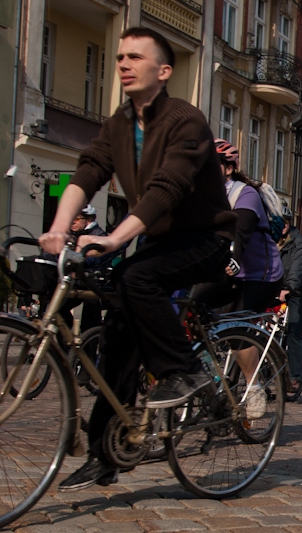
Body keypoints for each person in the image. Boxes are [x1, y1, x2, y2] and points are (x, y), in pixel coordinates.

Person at [39, 27, 235, 491]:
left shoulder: (186, 121)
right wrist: (57, 226)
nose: (123, 64)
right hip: (158, 241)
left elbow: (166, 190)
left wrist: (112, 241)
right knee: (118, 333)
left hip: (206, 238)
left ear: (163, 71)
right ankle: (108, 452)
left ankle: (183, 371)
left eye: (135, 57)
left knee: (135, 276)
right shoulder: (121, 123)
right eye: (120, 56)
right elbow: (89, 171)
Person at [193, 139, 284, 415]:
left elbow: (240, 231)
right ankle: (211, 375)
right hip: (227, 272)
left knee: (238, 326)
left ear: (228, 169)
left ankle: (253, 387)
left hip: (261, 275)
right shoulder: (203, 196)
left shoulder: (245, 194)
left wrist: (233, 256)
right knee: (191, 306)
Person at [278, 204, 302, 392]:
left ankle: (295, 375)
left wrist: (289, 287)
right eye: (279, 221)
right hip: (276, 290)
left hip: (297, 292)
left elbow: (297, 269)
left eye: (286, 222)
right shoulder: (269, 238)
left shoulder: (298, 243)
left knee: (293, 329)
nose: (283, 225)